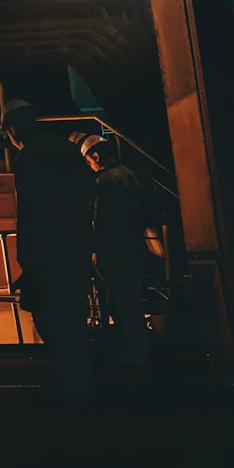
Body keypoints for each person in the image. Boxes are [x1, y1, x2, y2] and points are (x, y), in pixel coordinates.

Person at [0, 100, 97, 402]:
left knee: (49, 318)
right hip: (76, 247)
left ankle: (69, 384)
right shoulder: (64, 149)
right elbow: (87, 194)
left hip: (48, 254)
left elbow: (32, 212)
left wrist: (29, 263)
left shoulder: (29, 157)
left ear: (12, 130)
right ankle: (81, 381)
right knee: (73, 315)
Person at [79, 134, 150, 368]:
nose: (90, 166)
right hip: (133, 247)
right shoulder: (128, 174)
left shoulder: (105, 181)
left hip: (113, 250)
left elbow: (102, 219)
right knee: (132, 302)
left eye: (89, 161)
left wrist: (94, 248)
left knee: (118, 303)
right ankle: (140, 349)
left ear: (96, 156)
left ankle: (129, 354)